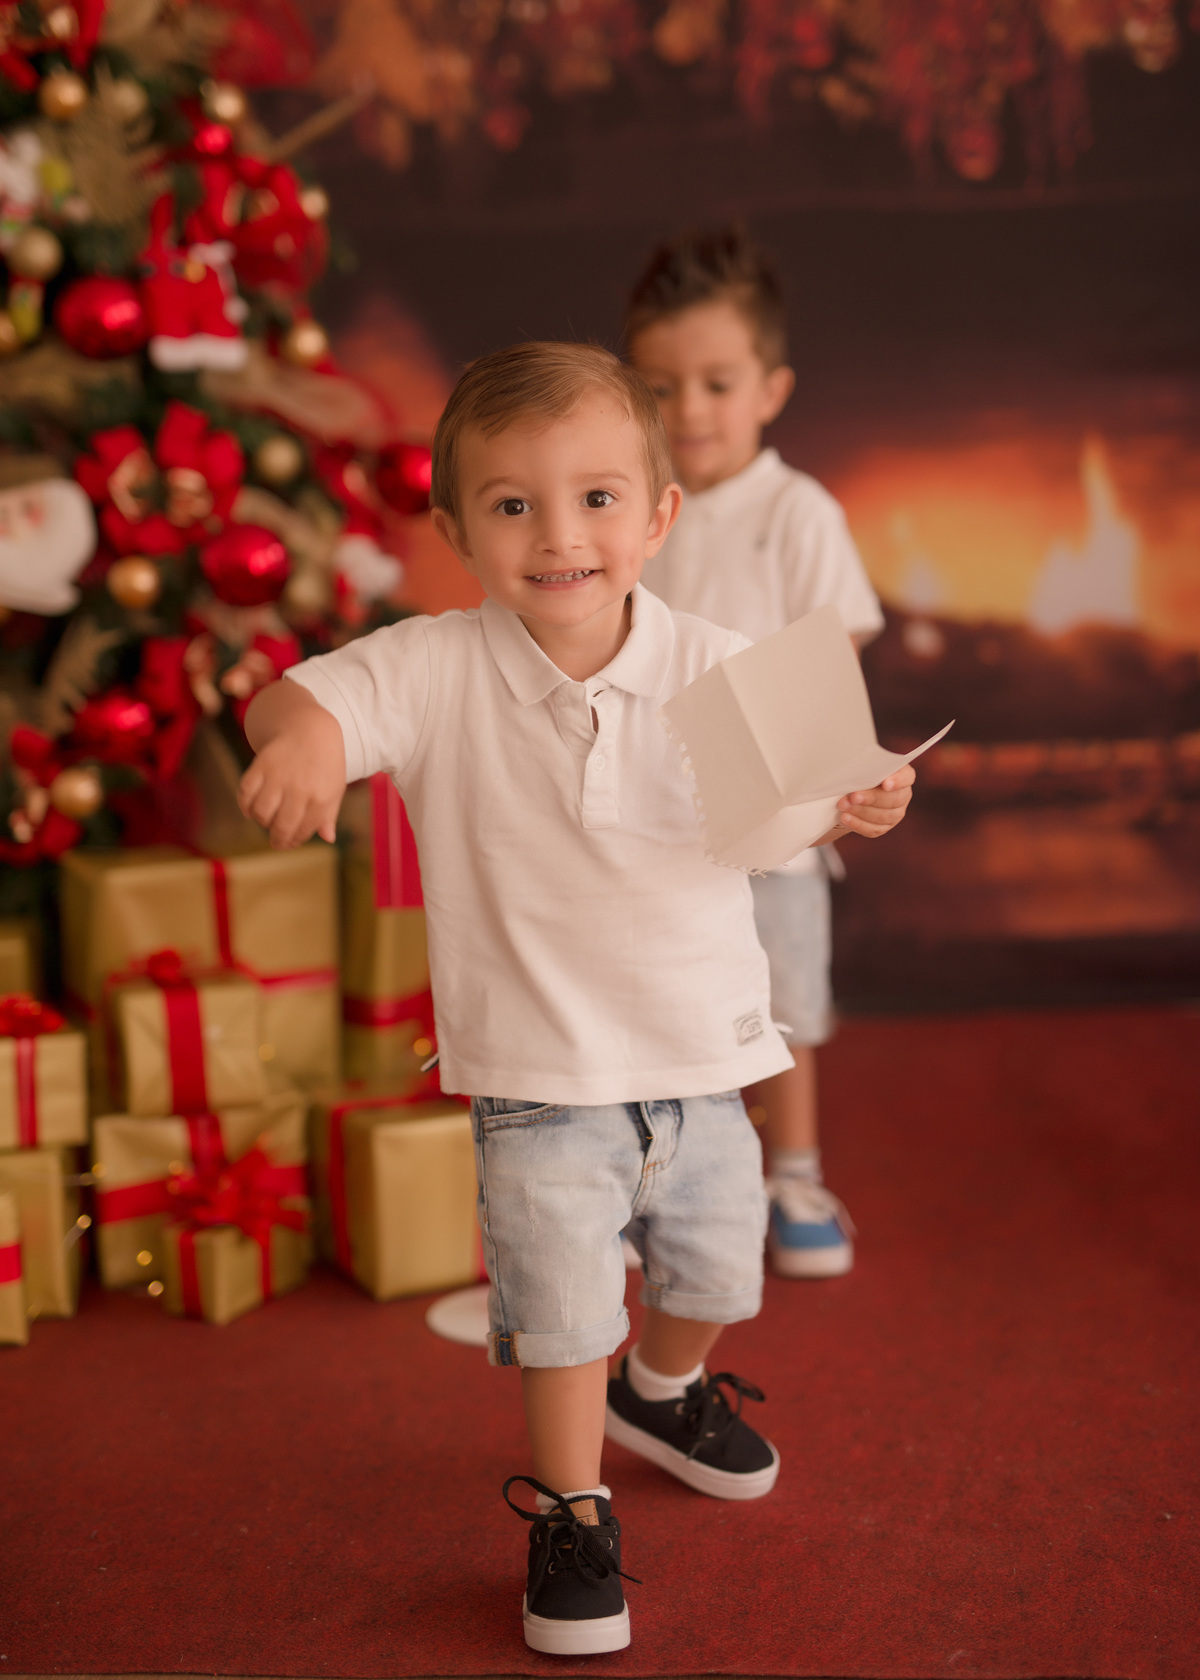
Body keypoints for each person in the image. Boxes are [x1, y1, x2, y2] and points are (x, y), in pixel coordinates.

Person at [238, 342, 913, 1656]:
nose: (562, 537)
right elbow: (308, 697)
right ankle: (571, 1507)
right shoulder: (436, 666)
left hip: (704, 1056)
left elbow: (804, 810)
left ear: (659, 517)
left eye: (600, 500)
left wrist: (863, 797)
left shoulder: (720, 660)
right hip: (540, 1075)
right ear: (453, 528)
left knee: (718, 1267)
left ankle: (662, 1387)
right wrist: (306, 742)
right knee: (561, 1313)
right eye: (513, 506)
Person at [628, 227, 885, 1282]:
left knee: (779, 1003)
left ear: (770, 388)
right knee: (660, 994)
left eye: (716, 383)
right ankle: (656, 1175)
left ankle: (795, 1170)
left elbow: (839, 638)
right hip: (654, 805)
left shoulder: (795, 511)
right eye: (662, 385)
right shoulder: (636, 508)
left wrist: (780, 753)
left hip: (770, 807)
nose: (689, 410)